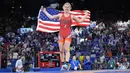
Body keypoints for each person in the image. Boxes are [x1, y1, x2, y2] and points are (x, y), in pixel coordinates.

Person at [42, 2, 88, 70]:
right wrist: (45, 11)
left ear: (70, 8)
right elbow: (51, 17)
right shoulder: (60, 15)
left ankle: (66, 63)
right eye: (65, 7)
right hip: (61, 34)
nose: (66, 8)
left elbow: (80, 21)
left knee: (66, 50)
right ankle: (63, 64)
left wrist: (86, 15)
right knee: (61, 51)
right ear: (63, 8)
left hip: (68, 34)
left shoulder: (72, 16)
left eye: (68, 7)